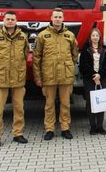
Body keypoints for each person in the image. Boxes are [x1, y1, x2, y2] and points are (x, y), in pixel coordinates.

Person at [0, 11, 29, 147]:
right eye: (8, 19)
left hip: (17, 78)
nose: (10, 21)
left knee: (19, 108)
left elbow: (25, 54)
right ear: (3, 20)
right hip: (1, 79)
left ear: (16, 21)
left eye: (13, 19)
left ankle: (18, 134)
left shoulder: (22, 37)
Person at [33, 8, 79, 140]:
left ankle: (65, 128)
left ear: (63, 19)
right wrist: (38, 77)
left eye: (60, 17)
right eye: (55, 17)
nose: (58, 19)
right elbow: (37, 58)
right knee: (49, 104)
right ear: (51, 18)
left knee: (65, 103)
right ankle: (49, 129)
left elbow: (74, 55)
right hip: (49, 75)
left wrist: (68, 67)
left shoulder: (70, 35)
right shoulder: (42, 35)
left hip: (65, 75)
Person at [79, 28, 106, 135]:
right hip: (90, 79)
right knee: (90, 102)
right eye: (93, 35)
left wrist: (100, 75)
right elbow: (84, 66)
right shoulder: (86, 50)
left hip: (101, 78)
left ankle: (100, 126)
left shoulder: (105, 50)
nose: (95, 37)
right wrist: (94, 75)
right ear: (90, 37)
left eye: (97, 35)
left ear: (100, 37)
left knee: (101, 102)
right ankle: (92, 126)